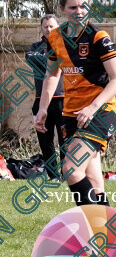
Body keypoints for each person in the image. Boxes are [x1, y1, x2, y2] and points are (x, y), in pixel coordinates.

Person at [35, 0, 116, 207]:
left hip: (100, 112)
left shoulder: (98, 37)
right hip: (71, 115)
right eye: (73, 7)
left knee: (70, 169)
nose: (79, 11)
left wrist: (92, 108)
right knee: (94, 182)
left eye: (83, 6)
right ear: (63, 10)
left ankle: (96, 229)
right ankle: (107, 234)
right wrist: (43, 108)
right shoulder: (56, 38)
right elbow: (52, 75)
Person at [26, 15, 65, 181]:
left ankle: (67, 174)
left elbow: (64, 62)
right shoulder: (35, 47)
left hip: (63, 100)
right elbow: (32, 59)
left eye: (52, 27)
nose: (49, 30)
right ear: (41, 29)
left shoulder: (65, 45)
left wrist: (54, 60)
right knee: (45, 141)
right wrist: (53, 60)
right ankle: (53, 175)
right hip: (41, 101)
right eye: (45, 27)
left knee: (66, 139)